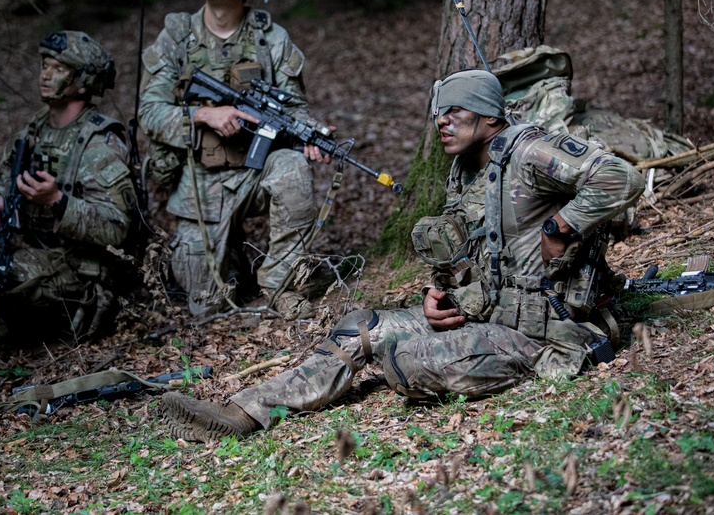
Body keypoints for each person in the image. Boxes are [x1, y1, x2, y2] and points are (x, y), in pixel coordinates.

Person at [159, 69, 645, 441]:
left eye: (455, 112)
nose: (442, 122)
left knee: (405, 361)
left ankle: (430, 363)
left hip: (549, 332)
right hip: (487, 313)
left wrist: (562, 226)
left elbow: (620, 178)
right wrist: (439, 292)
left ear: (490, 114)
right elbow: (466, 247)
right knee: (359, 328)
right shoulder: (466, 168)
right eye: (439, 113)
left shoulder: (530, 150)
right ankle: (244, 412)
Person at [138, 0, 328, 321]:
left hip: (255, 173)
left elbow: (294, 108)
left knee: (293, 169)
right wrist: (203, 114)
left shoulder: (270, 39)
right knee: (203, 306)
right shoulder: (176, 35)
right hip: (198, 181)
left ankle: (280, 283)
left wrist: (309, 136)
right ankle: (234, 258)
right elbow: (149, 113)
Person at [0, 31, 138, 355]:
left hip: (84, 271)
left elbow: (118, 227)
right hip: (42, 257)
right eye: (44, 65)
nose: (45, 74)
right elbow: (6, 174)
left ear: (83, 81)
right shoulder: (35, 130)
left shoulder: (99, 143)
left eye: (58, 68)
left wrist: (57, 202)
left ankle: (53, 325)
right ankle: (30, 325)